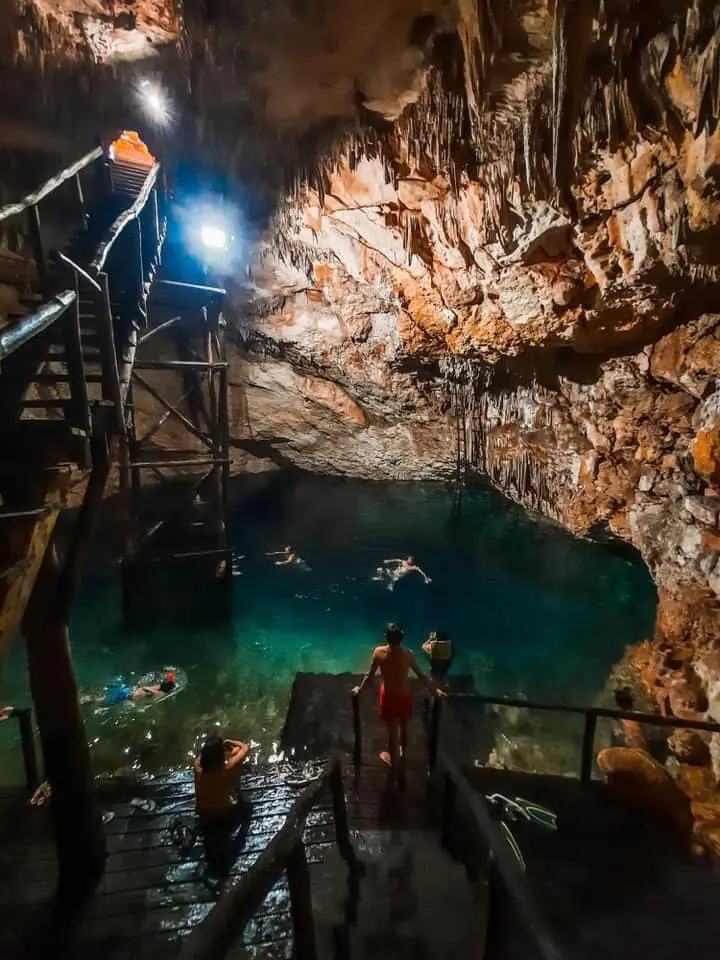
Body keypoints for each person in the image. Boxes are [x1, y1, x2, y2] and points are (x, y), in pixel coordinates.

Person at [352, 624, 441, 775]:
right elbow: (421, 675)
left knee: (393, 731)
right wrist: (435, 690)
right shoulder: (408, 654)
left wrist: (359, 689)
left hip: (389, 696)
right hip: (404, 695)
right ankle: (403, 754)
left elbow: (370, 675)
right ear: (402, 638)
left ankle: (395, 765)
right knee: (404, 725)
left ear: (387, 638)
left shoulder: (379, 652)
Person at [193, 734, 251, 881]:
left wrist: (211, 750)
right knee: (236, 754)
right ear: (220, 757)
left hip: (205, 818)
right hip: (225, 816)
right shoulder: (228, 769)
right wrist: (230, 742)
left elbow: (200, 758)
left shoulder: (197, 768)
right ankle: (237, 793)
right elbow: (245, 747)